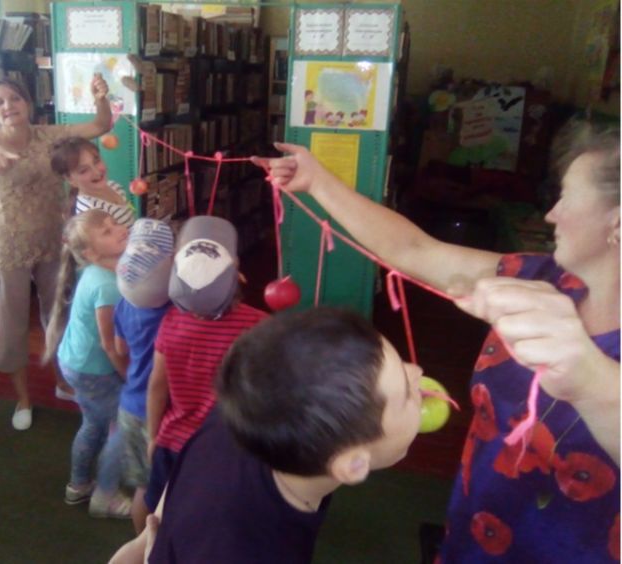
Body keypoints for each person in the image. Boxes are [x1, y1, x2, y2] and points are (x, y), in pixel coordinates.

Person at [258, 121, 620, 562]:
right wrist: (318, 182)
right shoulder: (538, 278)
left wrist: (588, 376)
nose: (551, 214)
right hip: (474, 530)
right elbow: (414, 250)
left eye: (566, 197)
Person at [109, 307, 424, 563]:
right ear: (352, 465)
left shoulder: (238, 418)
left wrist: (142, 543)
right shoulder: (247, 551)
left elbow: (184, 477)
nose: (417, 372)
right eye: (407, 394)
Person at [0, 75, 111, 430]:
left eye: (15, 98)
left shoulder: (49, 136)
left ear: (28, 103)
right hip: (11, 247)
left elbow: (100, 125)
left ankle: (63, 381)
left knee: (58, 317)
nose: (8, 106)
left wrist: (100, 97)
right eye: (0, 102)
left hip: (53, 241)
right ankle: (23, 399)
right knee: (13, 325)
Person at [144, 215, 269, 513]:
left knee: (159, 510)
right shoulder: (259, 326)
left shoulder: (171, 322)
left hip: (173, 440)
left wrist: (152, 436)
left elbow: (157, 387)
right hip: (225, 447)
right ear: (236, 270)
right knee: (212, 513)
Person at [42, 210, 132, 518]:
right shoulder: (107, 286)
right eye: (106, 232)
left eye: (114, 224)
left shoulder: (99, 271)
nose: (119, 229)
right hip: (93, 370)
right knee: (125, 427)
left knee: (94, 423)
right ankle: (105, 494)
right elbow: (109, 345)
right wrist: (129, 376)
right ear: (91, 253)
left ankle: (79, 485)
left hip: (77, 363)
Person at [113, 218, 175, 532]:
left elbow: (119, 348)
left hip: (129, 408)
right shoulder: (176, 312)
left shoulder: (123, 305)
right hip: (161, 414)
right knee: (166, 489)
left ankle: (142, 541)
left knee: (144, 488)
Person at [50, 136, 136, 226]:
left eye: (96, 161)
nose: (96, 172)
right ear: (70, 179)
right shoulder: (91, 214)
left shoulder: (113, 186)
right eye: (84, 170)